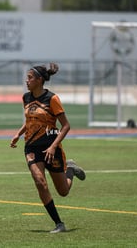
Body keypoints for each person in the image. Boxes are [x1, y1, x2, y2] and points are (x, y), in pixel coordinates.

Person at [10, 62, 85, 234]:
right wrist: (18, 134)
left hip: (51, 147)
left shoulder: (52, 99)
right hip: (31, 148)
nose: (26, 81)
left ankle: (70, 170)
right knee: (40, 182)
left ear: (39, 80)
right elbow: (30, 120)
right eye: (26, 78)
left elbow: (66, 126)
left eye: (29, 78)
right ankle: (59, 223)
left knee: (63, 191)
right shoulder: (25, 98)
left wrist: (52, 147)